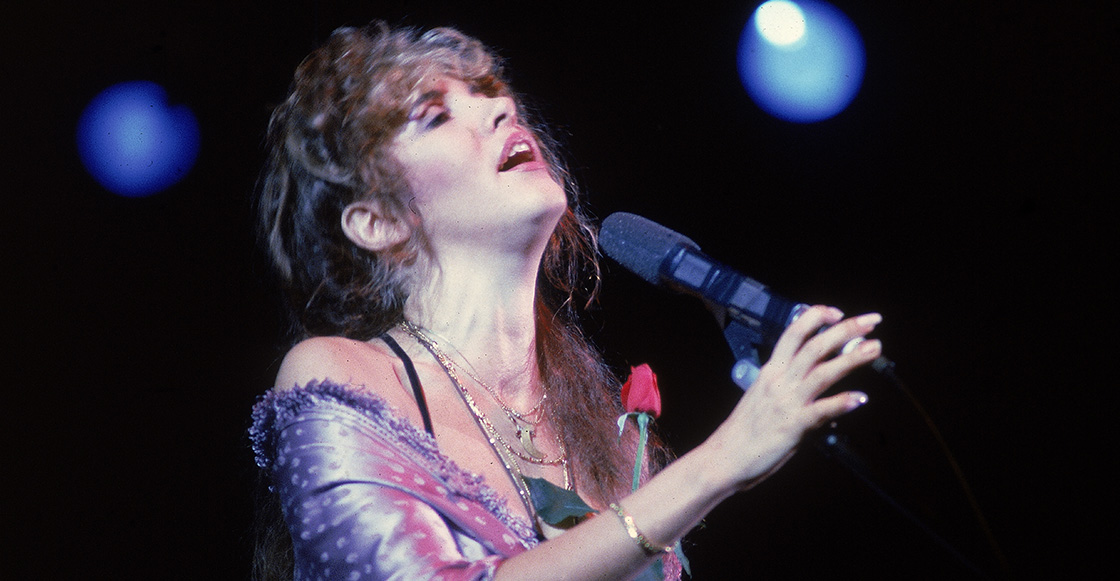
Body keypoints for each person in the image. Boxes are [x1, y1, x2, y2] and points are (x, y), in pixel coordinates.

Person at [249, 22, 883, 581]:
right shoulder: (340, 376)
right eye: (435, 116)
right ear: (378, 222)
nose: (501, 109)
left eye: (490, 93)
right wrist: (721, 461)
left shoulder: (609, 437)